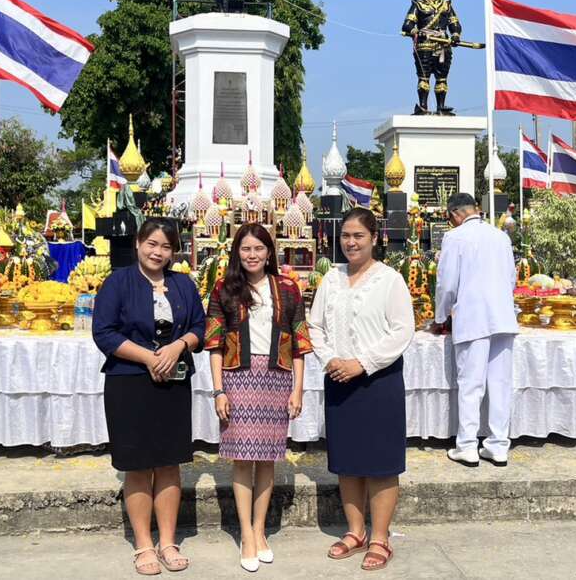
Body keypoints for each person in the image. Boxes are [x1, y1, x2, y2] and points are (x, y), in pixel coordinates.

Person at [92, 218, 205, 576]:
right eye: (152, 244)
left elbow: (200, 327)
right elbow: (104, 332)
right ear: (139, 243)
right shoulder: (118, 282)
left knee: (169, 463)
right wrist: (149, 357)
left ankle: (168, 541)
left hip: (174, 383)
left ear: (175, 251)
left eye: (166, 246)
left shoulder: (183, 284)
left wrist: (178, 346)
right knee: (138, 466)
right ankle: (143, 544)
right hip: (130, 382)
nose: (158, 252)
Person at [308, 208, 415, 572]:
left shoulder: (390, 280)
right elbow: (314, 325)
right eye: (346, 236)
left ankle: (381, 537)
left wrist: (362, 362)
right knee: (348, 461)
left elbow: (402, 331)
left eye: (359, 236)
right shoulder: (331, 280)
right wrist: (330, 359)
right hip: (338, 378)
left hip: (378, 380)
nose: (351, 243)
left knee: (381, 463)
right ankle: (355, 532)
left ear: (374, 239)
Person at [205, 223, 311, 572]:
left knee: (267, 459)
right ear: (237, 252)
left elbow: (299, 343)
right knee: (241, 459)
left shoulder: (287, 288)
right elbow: (215, 344)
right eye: (246, 249)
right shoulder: (224, 288)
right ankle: (246, 535)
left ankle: (260, 528)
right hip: (238, 378)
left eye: (258, 249)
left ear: (269, 252)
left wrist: (297, 389)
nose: (252, 255)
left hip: (277, 378)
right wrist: (219, 390)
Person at [432, 193, 518, 468]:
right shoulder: (500, 236)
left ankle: (468, 445)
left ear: (455, 214)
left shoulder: (455, 237)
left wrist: (440, 316)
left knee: (471, 384)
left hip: (473, 316)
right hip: (503, 315)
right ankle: (498, 444)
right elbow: (511, 278)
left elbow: (446, 284)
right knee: (500, 384)